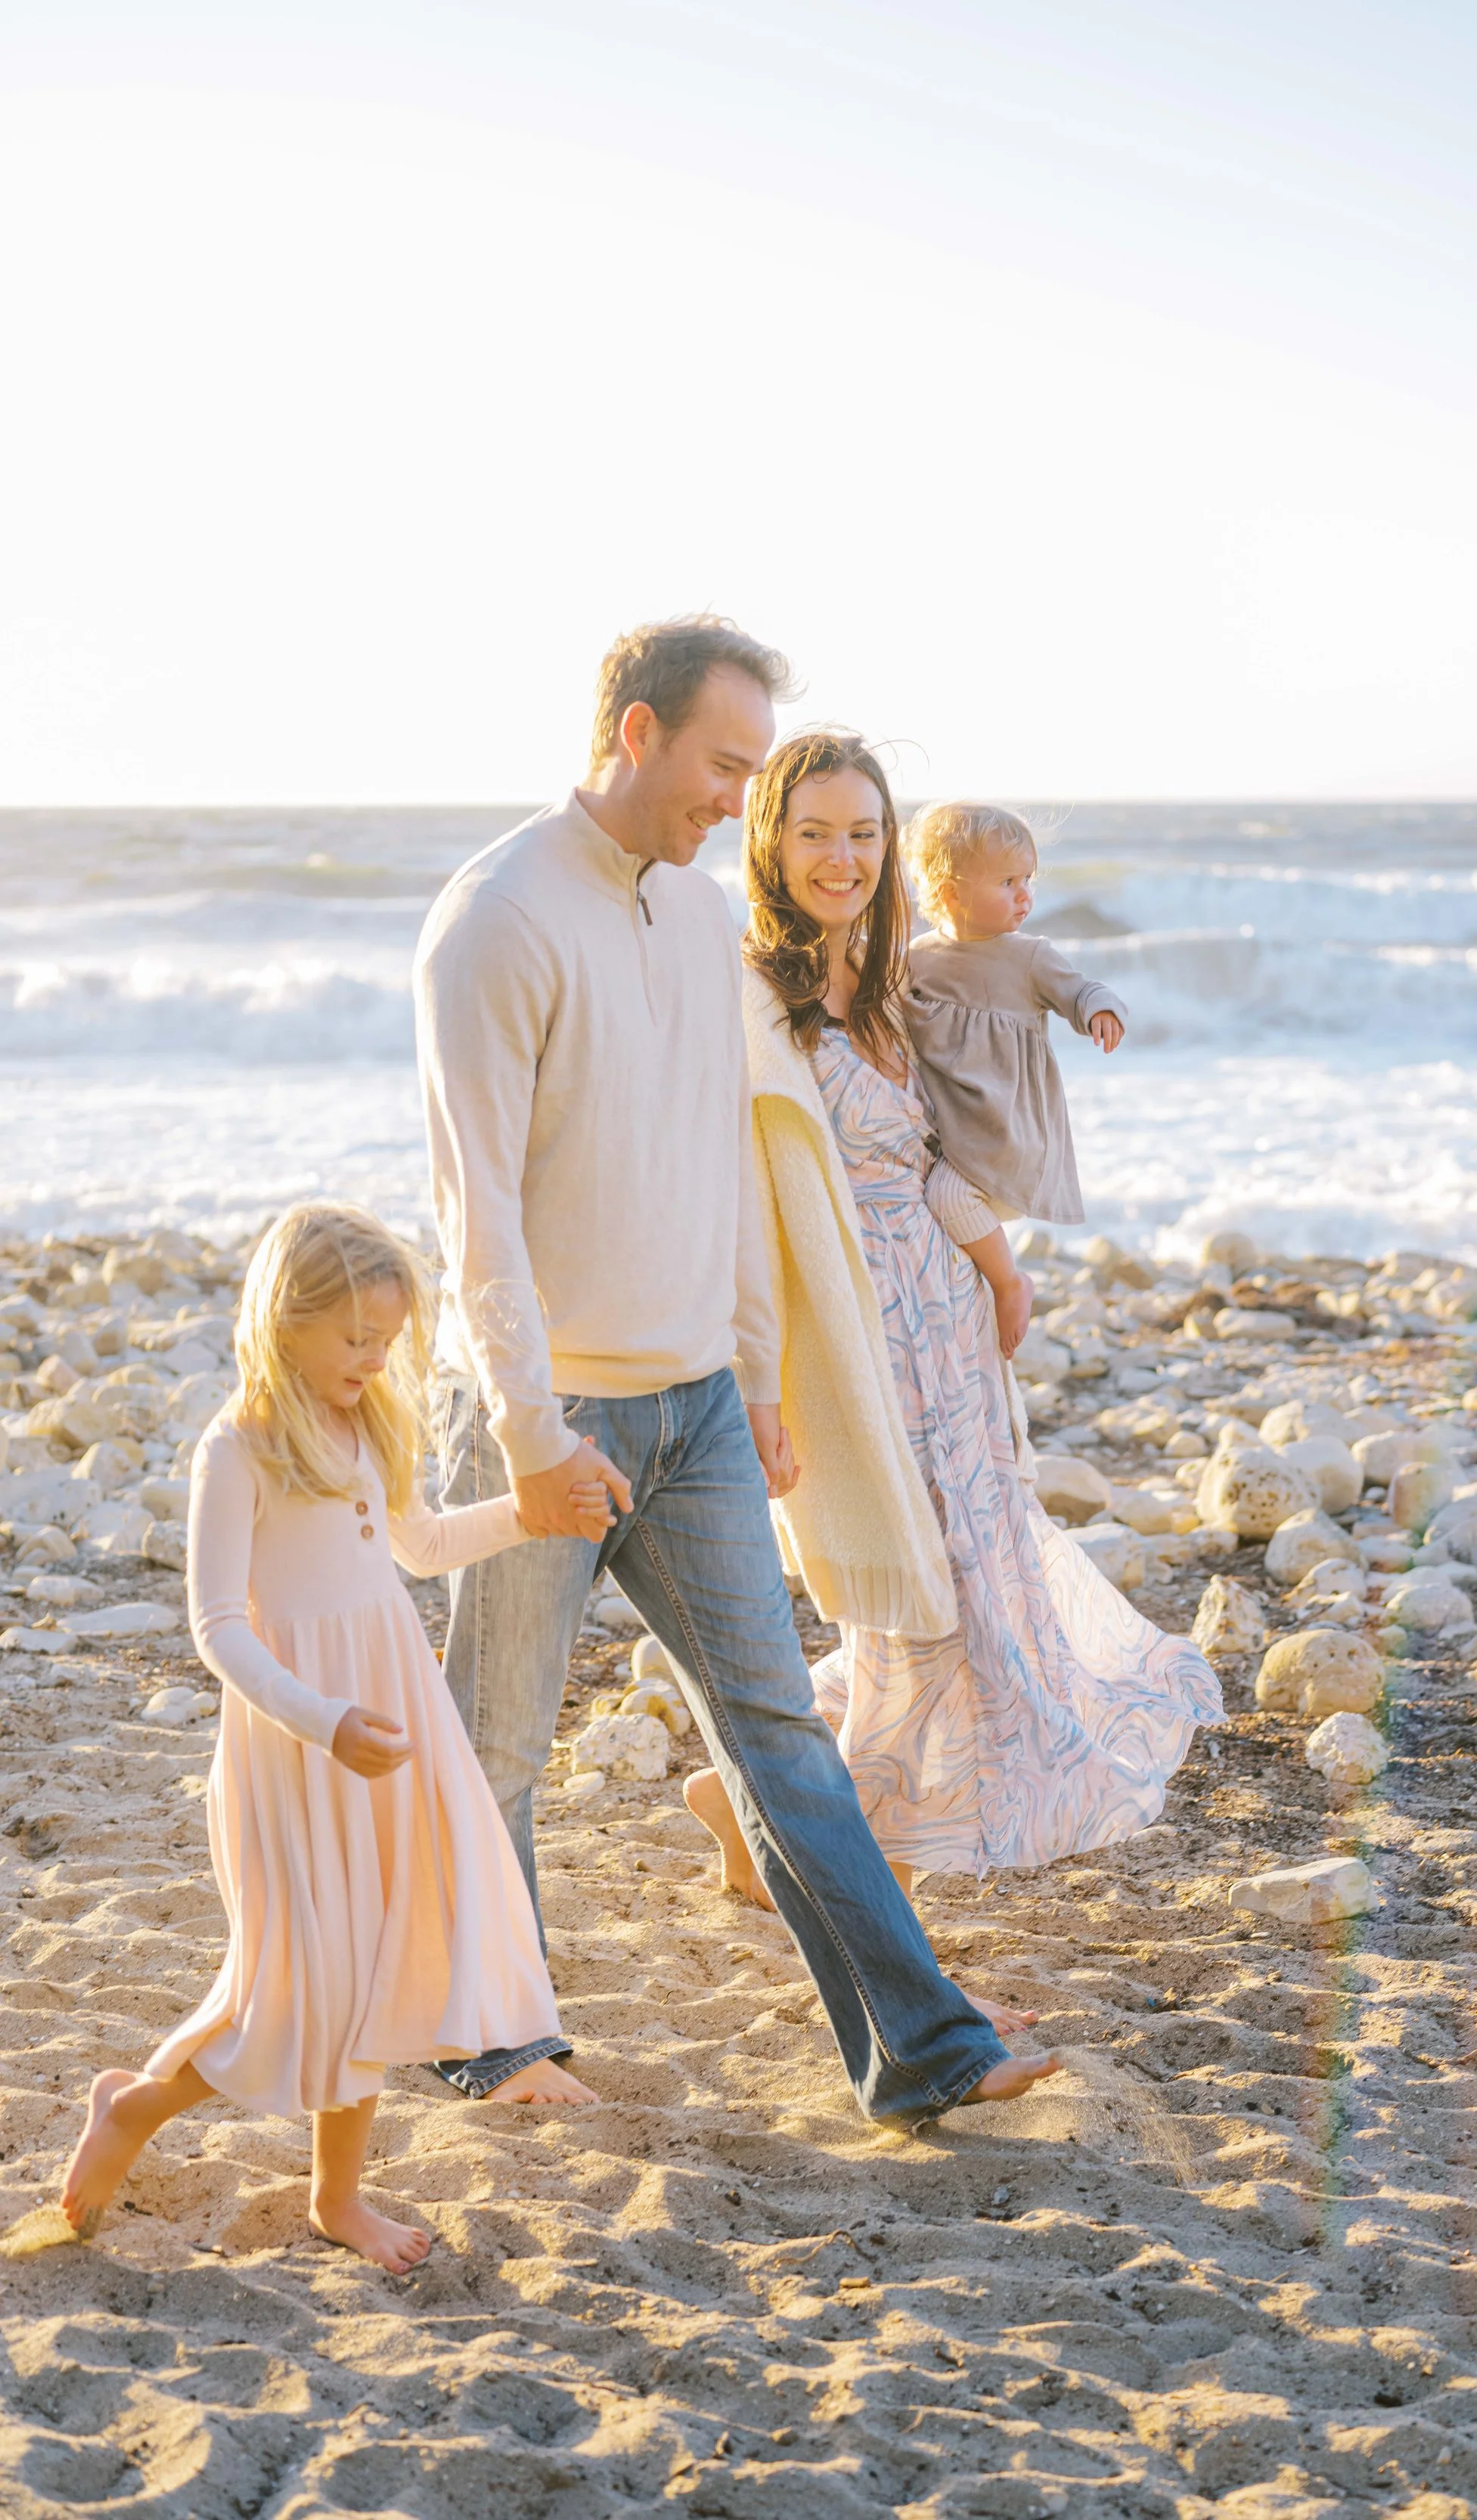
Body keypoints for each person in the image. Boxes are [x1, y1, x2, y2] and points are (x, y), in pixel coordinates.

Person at [414, 617, 1057, 2122]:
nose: (736, 797)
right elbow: (474, 1206)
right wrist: (524, 1430)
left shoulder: (699, 917)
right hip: (550, 1409)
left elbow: (735, 1164)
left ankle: (923, 2048)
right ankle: (487, 2040)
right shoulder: (497, 916)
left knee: (777, 1732)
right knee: (497, 1740)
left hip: (696, 1399)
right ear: (634, 733)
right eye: (723, 762)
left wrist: (755, 1373)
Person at [684, 729, 1220, 1896]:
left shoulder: (892, 977)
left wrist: (1001, 1267)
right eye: (815, 833)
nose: (842, 857)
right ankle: (801, 1812)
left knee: (976, 1560)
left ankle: (762, 1803)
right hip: (854, 1328)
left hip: (945, 1313)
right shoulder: (752, 996)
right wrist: (760, 1387)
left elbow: (947, 1127)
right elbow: (743, 1210)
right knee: (915, 1582)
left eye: (864, 832)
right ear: (770, 841)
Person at [59, 1204, 603, 2270]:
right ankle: (133, 2106)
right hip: (298, 1742)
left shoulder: (369, 1424)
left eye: (388, 1340)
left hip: (388, 1724)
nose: (374, 1359)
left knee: (367, 1968)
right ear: (286, 1319)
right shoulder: (239, 1447)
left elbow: (423, 1544)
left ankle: (335, 2198)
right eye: (355, 1338)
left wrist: (531, 1515)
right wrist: (323, 1721)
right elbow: (217, 1627)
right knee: (296, 1983)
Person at [902, 801, 1128, 1297]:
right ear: (950, 893)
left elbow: (1080, 989)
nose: (1025, 895)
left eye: (1028, 880)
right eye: (1008, 882)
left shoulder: (1029, 957)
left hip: (1006, 1132)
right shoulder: (918, 959)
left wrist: (1100, 1010)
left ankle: (1009, 1284)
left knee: (948, 1197)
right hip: (955, 1128)